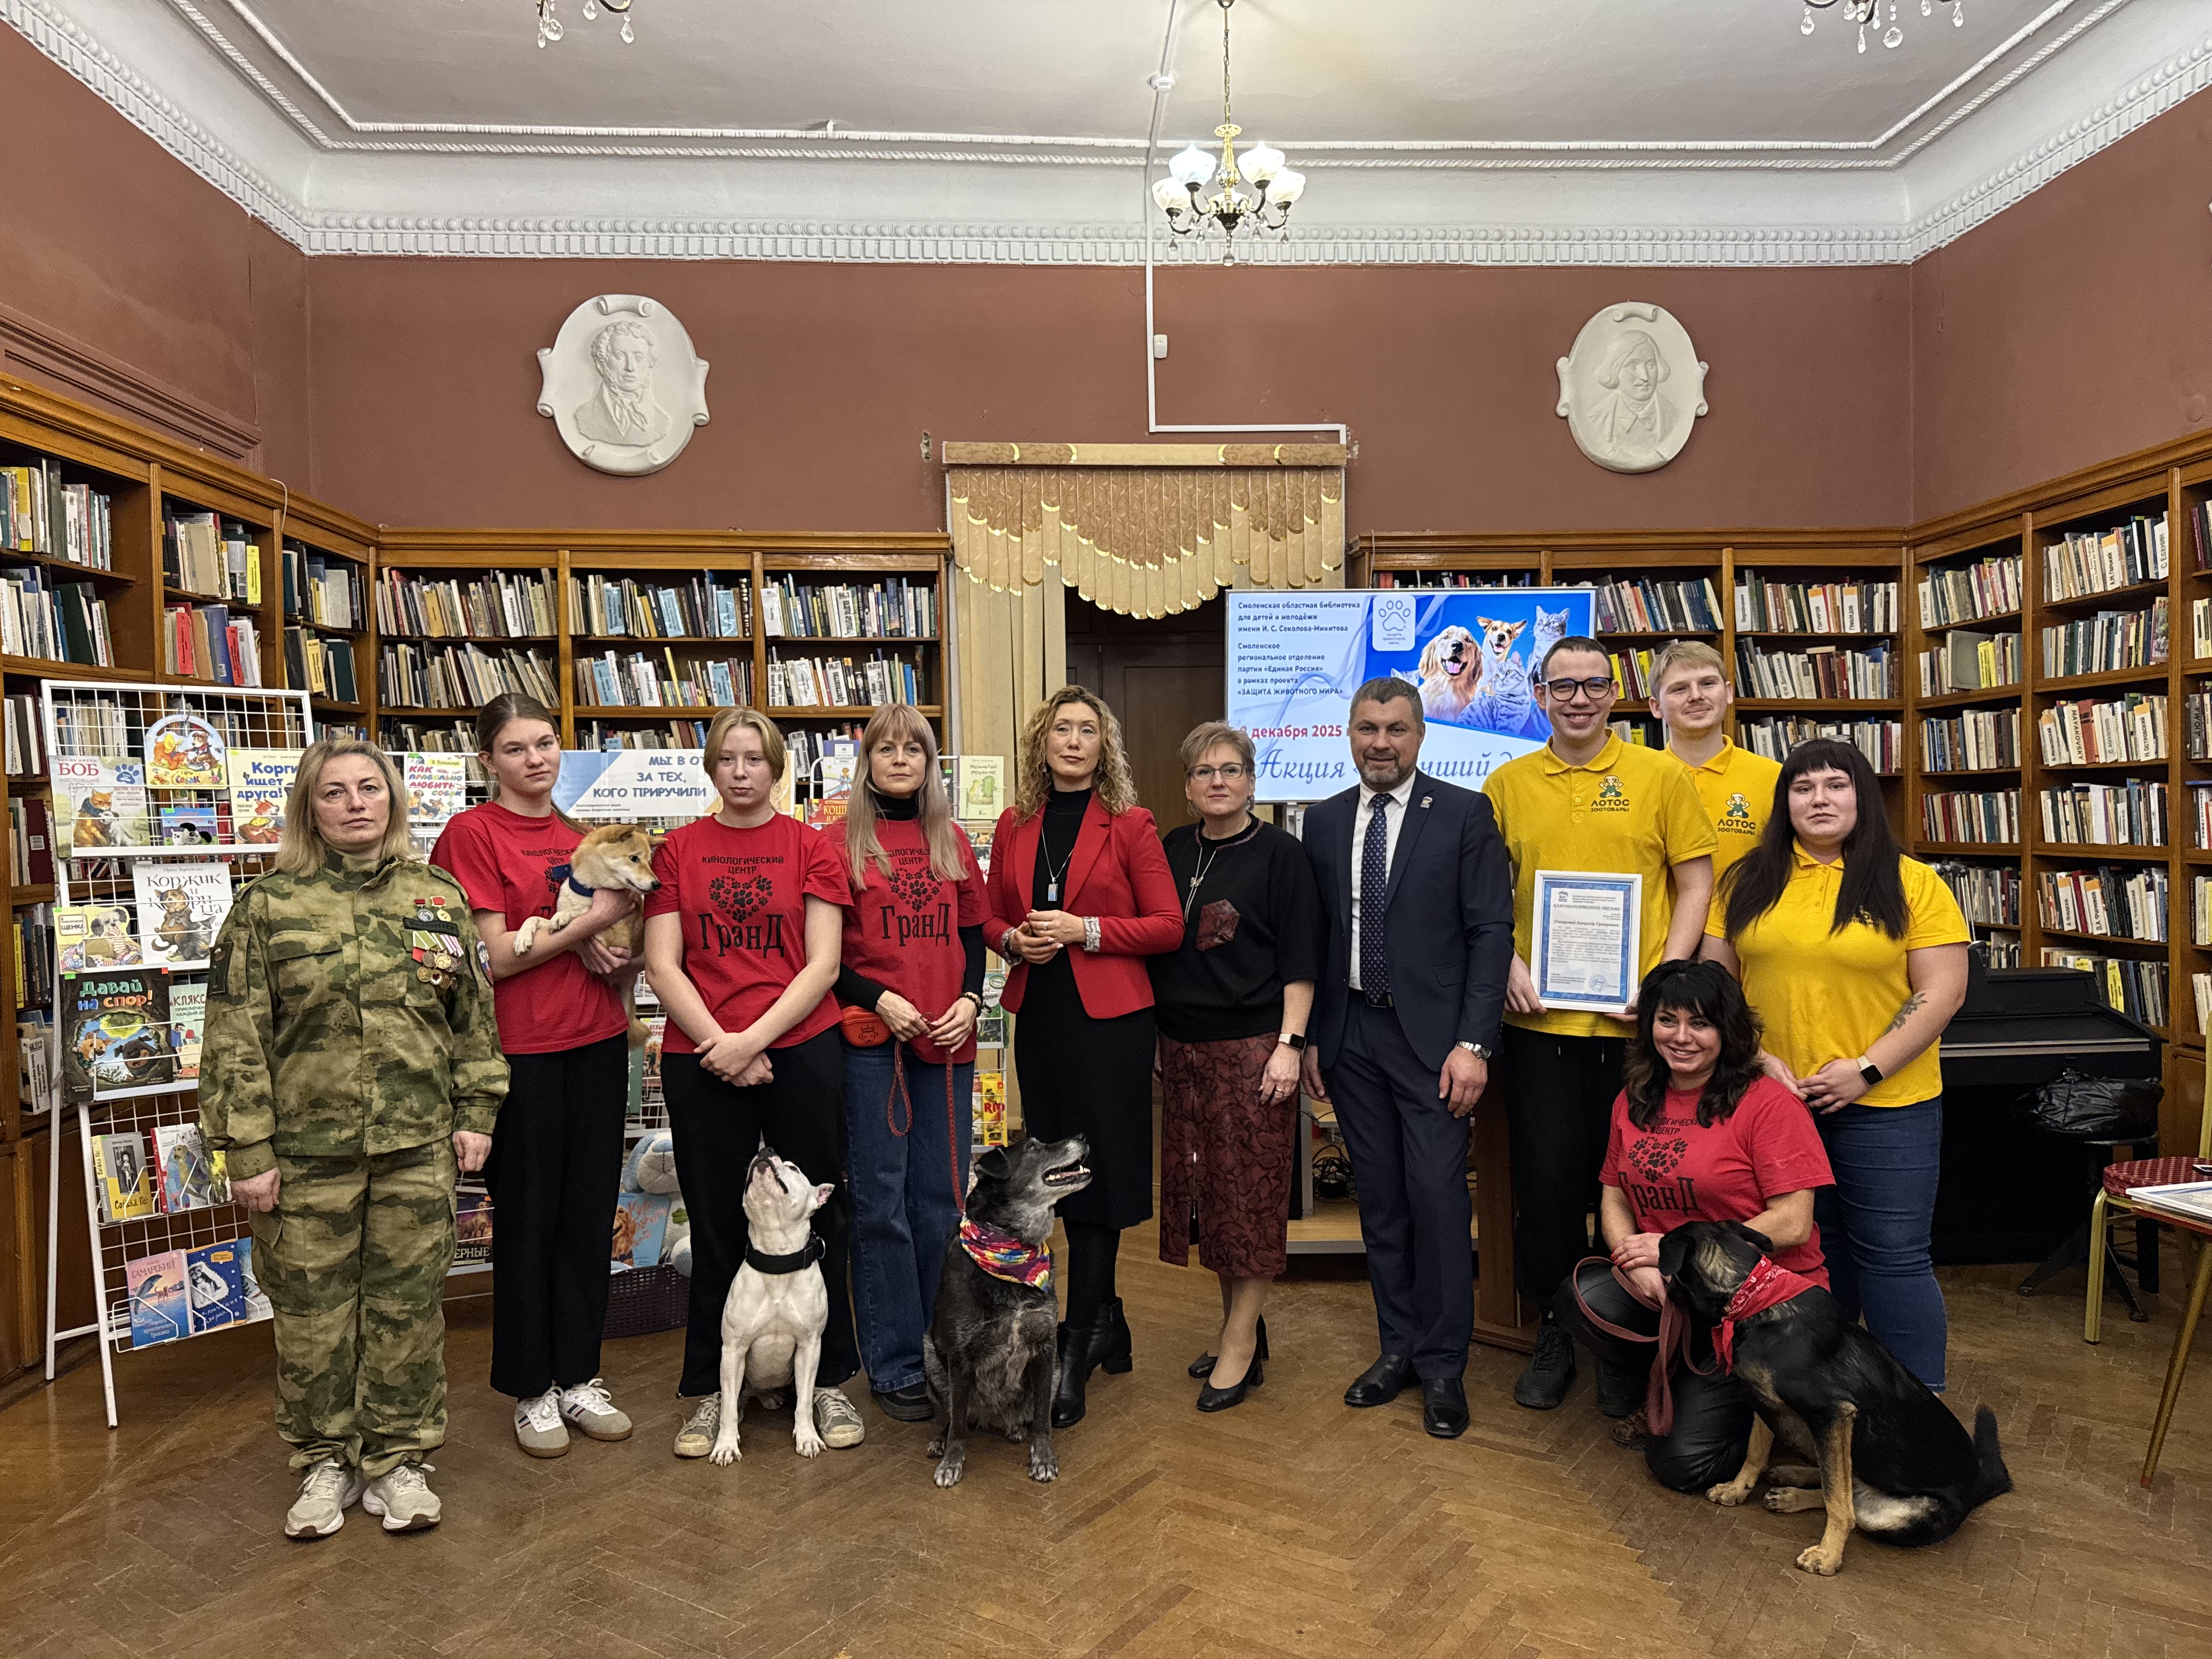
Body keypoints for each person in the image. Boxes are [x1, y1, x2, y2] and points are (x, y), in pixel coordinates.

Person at [201, 738, 506, 1539]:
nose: (355, 804)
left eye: (370, 788)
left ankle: (399, 1460)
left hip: (417, 1144)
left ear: (393, 800)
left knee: (408, 1311)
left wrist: (477, 1111)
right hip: (305, 1156)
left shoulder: (437, 897)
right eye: (334, 792)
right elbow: (234, 1035)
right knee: (312, 1316)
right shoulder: (267, 907)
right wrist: (247, 1151)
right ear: (310, 808)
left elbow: (472, 1018)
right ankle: (325, 1460)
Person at [1483, 634, 1716, 1413]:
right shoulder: (1507, 784)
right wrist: (1507, 960)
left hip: (1641, 1034)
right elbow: (1484, 896)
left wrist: (1665, 982)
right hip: (1541, 1026)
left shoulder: (1660, 776)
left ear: (1615, 694)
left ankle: (1632, 1336)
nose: (1578, 699)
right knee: (1548, 1187)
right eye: (1563, 686)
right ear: (1539, 696)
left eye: (1592, 685)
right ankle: (1559, 1325)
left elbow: (1695, 884)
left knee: (1644, 1187)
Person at [1701, 737, 1970, 1391]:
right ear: (1784, 802)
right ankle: (1826, 1399)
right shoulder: (1746, 881)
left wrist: (1866, 1070)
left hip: (1888, 1106)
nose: (1819, 799)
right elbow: (1716, 984)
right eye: (1803, 788)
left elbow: (1943, 991)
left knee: (1894, 1258)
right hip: (1775, 1107)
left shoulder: (1913, 882)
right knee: (1806, 1255)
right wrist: (1754, 1057)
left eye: (1836, 785)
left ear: (1863, 797)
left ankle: (1918, 1409)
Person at [1299, 677, 1514, 1439]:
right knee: (1382, 1201)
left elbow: (1491, 932)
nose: (1381, 743)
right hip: (1352, 1035)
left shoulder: (1462, 813)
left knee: (1437, 1198)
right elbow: (1318, 936)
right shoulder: (1324, 820)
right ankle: (1398, 1349)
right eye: (1368, 728)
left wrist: (1475, 1044)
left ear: (1420, 735)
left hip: (1436, 1045)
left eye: (1396, 729)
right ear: (1349, 735)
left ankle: (1444, 1366)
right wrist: (1314, 1035)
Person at [643, 707, 862, 1457]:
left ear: (777, 768)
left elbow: (824, 965)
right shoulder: (676, 850)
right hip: (701, 1051)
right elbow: (662, 964)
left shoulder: (812, 846)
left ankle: (827, 1379)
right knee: (714, 1223)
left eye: (755, 759)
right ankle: (712, 1389)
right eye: (728, 759)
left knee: (822, 1216)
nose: (741, 772)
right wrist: (724, 1046)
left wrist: (752, 1042)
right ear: (711, 767)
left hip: (800, 1047)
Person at [430, 692, 642, 1458]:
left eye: (545, 743)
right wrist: (590, 924)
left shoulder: (584, 836)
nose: (535, 759)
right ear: (487, 759)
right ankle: (531, 1388)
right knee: (527, 1221)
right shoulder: (471, 834)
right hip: (517, 1053)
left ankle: (579, 1376)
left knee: (588, 1216)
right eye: (515, 748)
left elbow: (619, 943)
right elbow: (490, 957)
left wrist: (616, 950)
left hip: (598, 1041)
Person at [1553, 959, 1833, 1490]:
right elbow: (1613, 1195)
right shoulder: (1634, 1098)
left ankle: (1760, 1410)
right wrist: (1634, 1262)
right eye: (1668, 1020)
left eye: (1700, 1024)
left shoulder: (1769, 1105)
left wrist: (1675, 1252)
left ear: (1728, 1031)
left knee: (1686, 1468)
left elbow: (1794, 1224)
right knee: (1582, 1297)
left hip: (1764, 1308)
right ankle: (1678, 1376)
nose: (1681, 1037)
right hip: (1679, 1292)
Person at [984, 686, 1182, 1429]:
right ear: (1043, 742)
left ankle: (1078, 1341)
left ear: (1105, 746)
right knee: (1051, 1181)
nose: (1073, 741)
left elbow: (1167, 925)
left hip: (1111, 1028)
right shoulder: (1015, 823)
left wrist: (1084, 930)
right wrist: (1014, 941)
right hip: (1041, 1021)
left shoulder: (1131, 824)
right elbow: (989, 916)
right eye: (1061, 729)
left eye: (1087, 730)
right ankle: (1109, 1317)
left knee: (1095, 1178)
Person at [1150, 722, 1323, 1413]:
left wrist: (1291, 1044)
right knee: (1213, 1198)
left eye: (1230, 770)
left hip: (1254, 1049)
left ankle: (1241, 1343)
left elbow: (1302, 959)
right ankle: (1237, 1326)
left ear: (1252, 781)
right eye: (1204, 771)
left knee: (1250, 1201)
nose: (1217, 781)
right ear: (1188, 787)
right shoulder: (1172, 848)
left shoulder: (1281, 855)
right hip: (1183, 1049)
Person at [830, 704, 989, 1425]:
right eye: (886, 749)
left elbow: (974, 936)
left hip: (947, 1045)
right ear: (867, 761)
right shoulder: (838, 844)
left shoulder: (950, 840)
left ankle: (943, 1353)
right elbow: (822, 956)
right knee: (881, 1205)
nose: (900, 759)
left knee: (941, 1203)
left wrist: (970, 1000)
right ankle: (894, 1362)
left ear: (930, 764)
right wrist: (879, 998)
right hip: (873, 1046)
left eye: (914, 749)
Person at [1647, 639, 1780, 879]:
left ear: (1728, 693)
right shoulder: (1642, 778)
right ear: (1656, 707)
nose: (1696, 696)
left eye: (1707, 684)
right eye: (1679, 689)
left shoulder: (1774, 777)